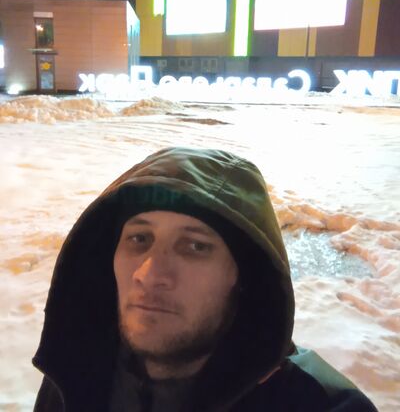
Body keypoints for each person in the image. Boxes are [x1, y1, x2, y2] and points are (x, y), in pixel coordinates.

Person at [33, 147, 378, 411]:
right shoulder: (73, 376)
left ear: (244, 275)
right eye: (139, 238)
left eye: (195, 246)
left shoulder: (321, 405)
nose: (149, 274)